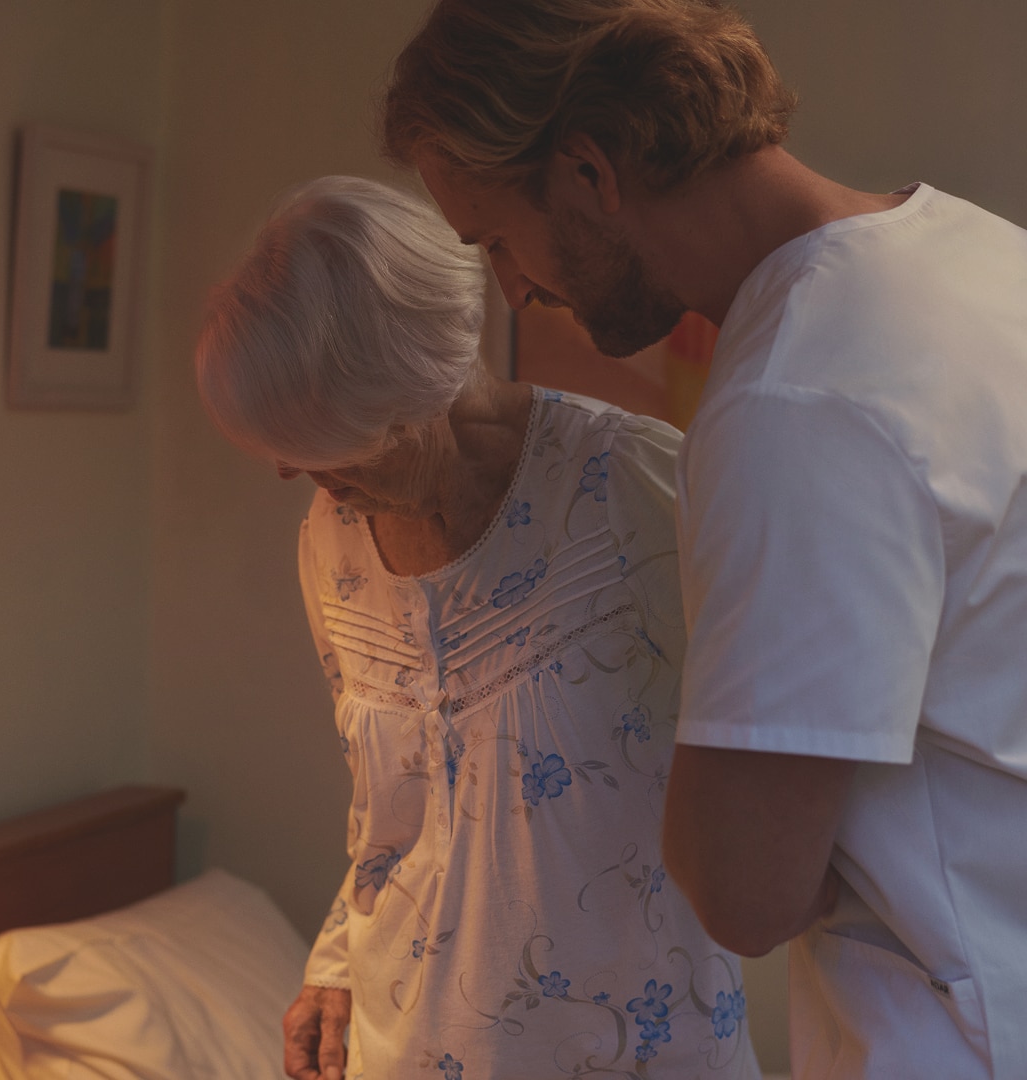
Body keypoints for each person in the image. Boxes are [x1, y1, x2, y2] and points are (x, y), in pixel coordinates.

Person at [380, 2, 1027, 1078]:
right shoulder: (982, 256)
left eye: (495, 236)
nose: (514, 285)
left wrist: (714, 828)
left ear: (588, 171)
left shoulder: (797, 399)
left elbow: (745, 892)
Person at [195, 175, 762, 1080]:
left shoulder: (633, 489)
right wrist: (338, 962)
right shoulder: (331, 535)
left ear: (406, 386)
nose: (288, 474)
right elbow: (389, 816)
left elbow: (773, 762)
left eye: (316, 440)